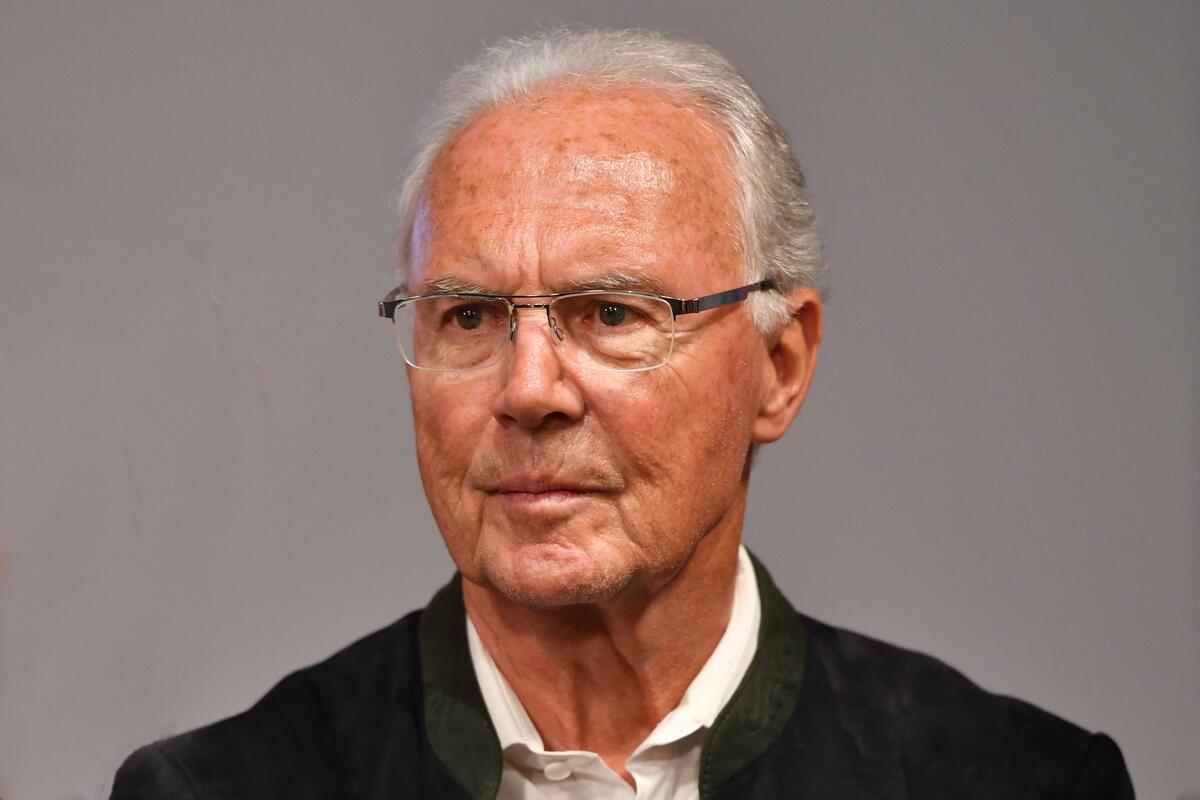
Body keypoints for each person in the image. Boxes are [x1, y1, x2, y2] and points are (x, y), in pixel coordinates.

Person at [113, 28, 1134, 799]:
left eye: (611, 312)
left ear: (779, 365)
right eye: (468, 315)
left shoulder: (1018, 782)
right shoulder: (219, 789)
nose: (529, 390)